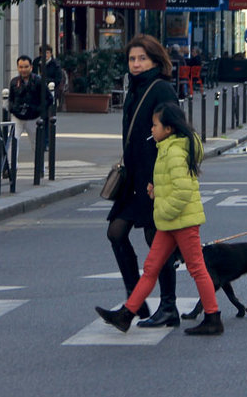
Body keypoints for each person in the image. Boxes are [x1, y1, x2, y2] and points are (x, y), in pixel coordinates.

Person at [95, 102, 223, 336]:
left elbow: (183, 192)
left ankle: (213, 317)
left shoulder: (174, 152)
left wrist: (163, 209)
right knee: (152, 268)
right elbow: (175, 186)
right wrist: (158, 191)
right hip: (170, 221)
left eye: (155, 125)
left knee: (196, 268)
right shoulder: (168, 147)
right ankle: (126, 315)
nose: (151, 129)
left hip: (180, 221)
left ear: (169, 128)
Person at [106, 35, 182, 328]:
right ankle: (134, 297)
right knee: (116, 232)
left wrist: (161, 177)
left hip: (154, 177)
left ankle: (168, 306)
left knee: (156, 241)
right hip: (134, 177)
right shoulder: (134, 88)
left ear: (155, 60)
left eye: (142, 59)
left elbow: (174, 131)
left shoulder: (160, 87)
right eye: (132, 59)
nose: (136, 64)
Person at [8, 55, 44, 158]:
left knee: (36, 144)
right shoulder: (14, 81)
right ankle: (11, 168)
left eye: (26, 66)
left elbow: (48, 98)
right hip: (17, 116)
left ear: (31, 67)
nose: (23, 69)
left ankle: (40, 169)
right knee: (13, 141)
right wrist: (13, 108)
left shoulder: (38, 81)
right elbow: (10, 98)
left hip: (33, 117)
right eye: (21, 67)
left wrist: (38, 110)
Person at [38, 44, 65, 109]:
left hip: (51, 91)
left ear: (51, 54)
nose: (45, 55)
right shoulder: (37, 63)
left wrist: (47, 81)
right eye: (43, 53)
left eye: (47, 53)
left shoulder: (55, 65)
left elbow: (58, 79)